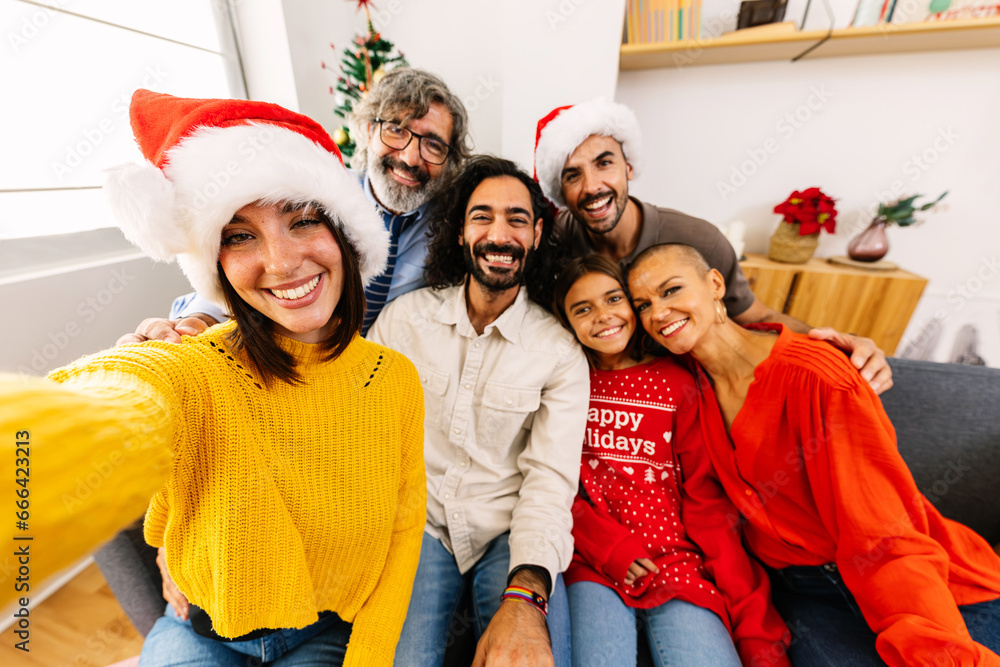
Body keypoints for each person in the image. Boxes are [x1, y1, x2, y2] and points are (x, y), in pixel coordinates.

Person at [0, 90, 427, 666]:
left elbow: (403, 538)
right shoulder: (197, 363)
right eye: (239, 234)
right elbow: (129, 391)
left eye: (302, 220)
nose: (280, 262)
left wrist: (370, 658)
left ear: (348, 241)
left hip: (324, 634)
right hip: (198, 633)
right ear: (217, 267)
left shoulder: (396, 382)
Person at [626, 243, 1000, 667]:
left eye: (671, 290)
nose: (657, 313)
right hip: (806, 595)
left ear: (714, 284)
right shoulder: (684, 390)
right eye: (643, 304)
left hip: (921, 585)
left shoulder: (817, 376)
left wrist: (937, 654)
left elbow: (883, 534)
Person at [367, 155, 589, 666]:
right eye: (482, 216)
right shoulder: (404, 322)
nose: (499, 233)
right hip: (417, 524)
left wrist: (528, 591)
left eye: (516, 219)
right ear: (462, 233)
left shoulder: (560, 354)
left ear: (535, 235)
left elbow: (549, 481)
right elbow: (363, 435)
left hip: (507, 530)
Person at [532, 99, 893, 394]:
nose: (592, 186)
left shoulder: (695, 239)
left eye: (604, 163)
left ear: (628, 167)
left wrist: (844, 344)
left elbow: (759, 318)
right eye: (572, 174)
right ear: (560, 192)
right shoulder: (552, 243)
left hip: (687, 395)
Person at [551, 254, 790, 667]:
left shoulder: (678, 381)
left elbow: (706, 499)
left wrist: (758, 637)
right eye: (583, 309)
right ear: (566, 322)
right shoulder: (566, 383)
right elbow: (550, 486)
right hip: (593, 561)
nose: (603, 316)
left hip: (678, 563)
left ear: (634, 305)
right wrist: (609, 547)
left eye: (613, 300)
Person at [125, 67, 470, 343]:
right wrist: (199, 319)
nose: (410, 157)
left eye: (434, 145)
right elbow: (244, 262)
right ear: (367, 130)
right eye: (396, 130)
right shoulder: (316, 190)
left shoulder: (454, 226)